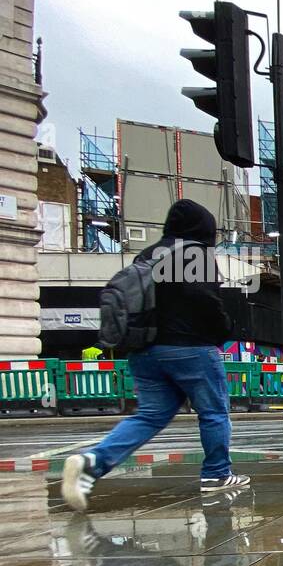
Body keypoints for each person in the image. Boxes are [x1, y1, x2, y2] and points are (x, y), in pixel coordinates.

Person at [60, 200, 248, 512]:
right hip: (190, 348)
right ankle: (217, 474)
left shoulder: (147, 255)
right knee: (214, 411)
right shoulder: (195, 254)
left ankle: (92, 462)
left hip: (144, 351)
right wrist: (224, 328)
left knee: (149, 415)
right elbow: (205, 300)